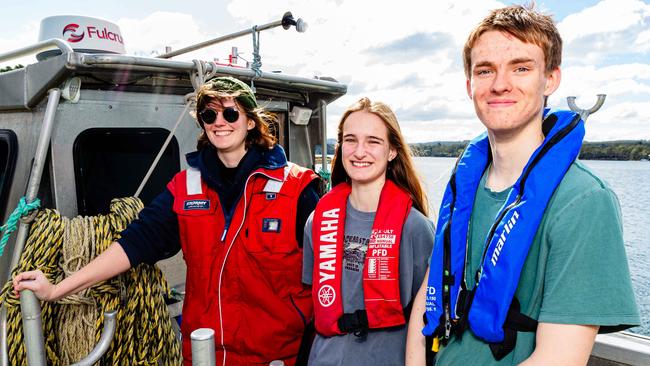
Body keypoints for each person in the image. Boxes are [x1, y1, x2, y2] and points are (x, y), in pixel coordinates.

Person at [13, 76, 320, 365]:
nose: (220, 123)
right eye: (209, 116)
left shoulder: (296, 189)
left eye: (230, 113)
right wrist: (57, 290)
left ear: (251, 121)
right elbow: (133, 245)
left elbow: (327, 277)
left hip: (279, 357)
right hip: (204, 354)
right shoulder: (185, 188)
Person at [406, 5, 640, 366]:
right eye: (485, 70)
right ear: (469, 84)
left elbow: (559, 359)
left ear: (550, 79)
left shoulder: (583, 201)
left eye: (521, 67)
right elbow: (430, 293)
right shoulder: (464, 185)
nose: (500, 83)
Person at [302, 97, 434, 366]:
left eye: (373, 141)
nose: (359, 151)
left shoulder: (416, 228)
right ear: (340, 148)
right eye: (350, 140)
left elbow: (429, 316)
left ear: (392, 151)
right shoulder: (317, 221)